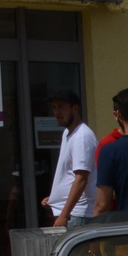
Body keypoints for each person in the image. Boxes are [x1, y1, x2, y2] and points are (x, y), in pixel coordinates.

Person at [41, 89, 96, 229]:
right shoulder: (68, 133)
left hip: (78, 215)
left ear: (75, 108)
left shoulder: (81, 137)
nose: (57, 112)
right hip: (71, 214)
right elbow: (69, 174)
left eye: (61, 107)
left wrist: (64, 215)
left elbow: (81, 178)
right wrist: (55, 198)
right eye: (54, 107)